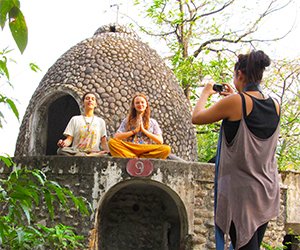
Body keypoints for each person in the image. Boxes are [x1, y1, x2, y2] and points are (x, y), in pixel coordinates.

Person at [192, 50, 280, 250]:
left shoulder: (236, 102)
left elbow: (196, 117)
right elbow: (253, 116)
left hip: (242, 194)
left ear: (240, 74)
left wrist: (206, 92)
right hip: (266, 190)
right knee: (252, 245)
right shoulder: (276, 105)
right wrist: (236, 96)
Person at [108, 93, 171, 159]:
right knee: (112, 143)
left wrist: (144, 131)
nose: (140, 104)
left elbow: (160, 141)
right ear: (134, 106)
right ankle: (135, 158)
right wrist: (134, 131)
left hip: (146, 149)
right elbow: (116, 137)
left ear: (146, 104)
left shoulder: (153, 122)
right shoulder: (127, 121)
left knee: (166, 149)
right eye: (137, 103)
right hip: (130, 147)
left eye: (142, 102)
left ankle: (139, 158)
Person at [57, 92, 109, 156]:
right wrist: (63, 143)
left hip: (94, 152)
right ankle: (86, 155)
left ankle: (87, 155)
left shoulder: (101, 121)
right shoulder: (75, 119)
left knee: (105, 155)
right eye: (87, 98)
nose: (90, 100)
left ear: (96, 104)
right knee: (60, 150)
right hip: (76, 151)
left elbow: (103, 141)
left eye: (93, 99)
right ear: (83, 103)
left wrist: (107, 151)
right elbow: (69, 139)